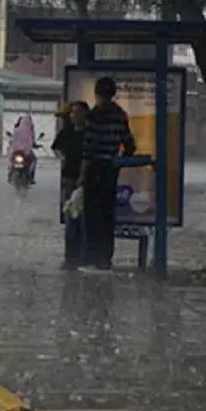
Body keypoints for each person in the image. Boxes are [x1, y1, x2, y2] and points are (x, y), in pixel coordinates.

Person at [77, 77, 136, 273]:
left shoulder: (95, 116)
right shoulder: (120, 115)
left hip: (95, 169)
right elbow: (130, 145)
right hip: (110, 169)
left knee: (92, 215)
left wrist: (82, 175)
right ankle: (106, 259)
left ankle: (94, 259)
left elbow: (88, 149)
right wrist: (117, 164)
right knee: (107, 215)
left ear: (96, 93)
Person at [51, 100, 89, 268]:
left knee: (83, 220)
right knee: (70, 219)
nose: (73, 117)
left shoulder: (89, 134)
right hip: (69, 180)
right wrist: (62, 158)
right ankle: (70, 257)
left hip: (86, 182)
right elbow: (56, 147)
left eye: (77, 113)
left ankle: (83, 256)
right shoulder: (66, 132)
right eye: (72, 114)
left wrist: (83, 176)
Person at [8, 113, 38, 184]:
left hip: (16, 152)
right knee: (34, 160)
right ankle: (31, 177)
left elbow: (12, 141)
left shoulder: (16, 130)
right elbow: (31, 142)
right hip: (25, 152)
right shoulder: (30, 131)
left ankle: (10, 174)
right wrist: (35, 145)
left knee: (11, 160)